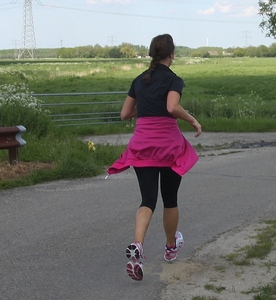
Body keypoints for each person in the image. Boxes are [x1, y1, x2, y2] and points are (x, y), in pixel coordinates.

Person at [107, 34, 202, 281]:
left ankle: (137, 245)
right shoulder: (174, 80)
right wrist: (191, 119)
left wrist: (146, 103)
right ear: (172, 53)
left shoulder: (139, 80)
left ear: (152, 53)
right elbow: (171, 107)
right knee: (169, 199)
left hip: (142, 145)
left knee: (147, 200)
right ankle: (171, 247)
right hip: (168, 146)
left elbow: (125, 114)